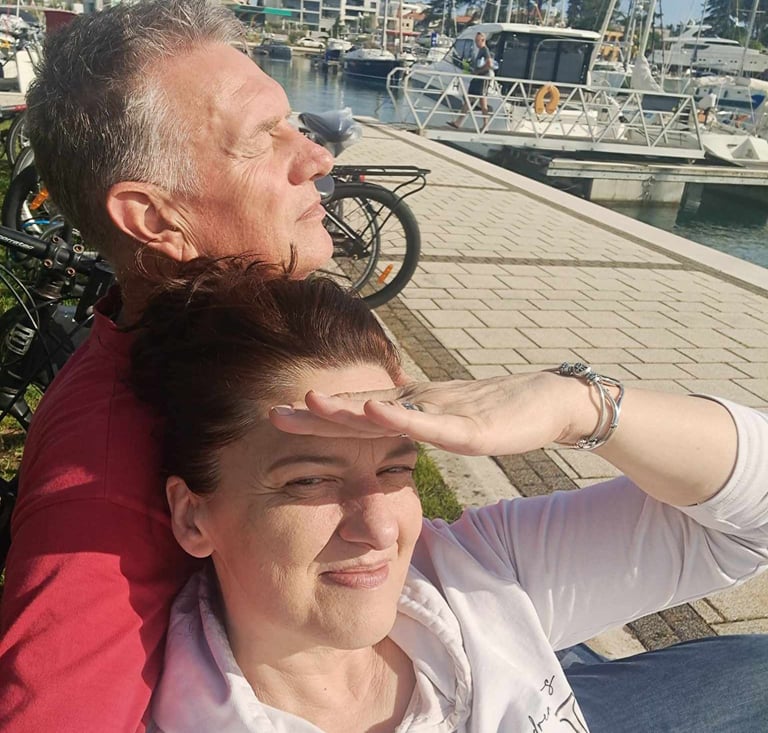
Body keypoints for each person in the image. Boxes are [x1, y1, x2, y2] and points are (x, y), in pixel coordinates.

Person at [130, 258, 768, 732]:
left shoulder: (468, 573)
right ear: (194, 516)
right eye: (309, 480)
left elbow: (746, 526)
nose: (381, 528)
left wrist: (576, 407)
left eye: (395, 470)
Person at [0, 1, 334, 731]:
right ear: (155, 220)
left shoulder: (216, 355)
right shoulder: (107, 476)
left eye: (292, 123)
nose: (317, 158)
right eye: (262, 138)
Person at [447, 32, 493, 131]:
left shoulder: (485, 50)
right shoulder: (480, 50)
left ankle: (486, 124)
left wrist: (478, 72)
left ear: (483, 40)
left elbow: (489, 64)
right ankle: (458, 122)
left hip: (482, 79)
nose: (476, 43)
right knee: (468, 100)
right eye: (475, 41)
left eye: (477, 41)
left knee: (483, 103)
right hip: (477, 79)